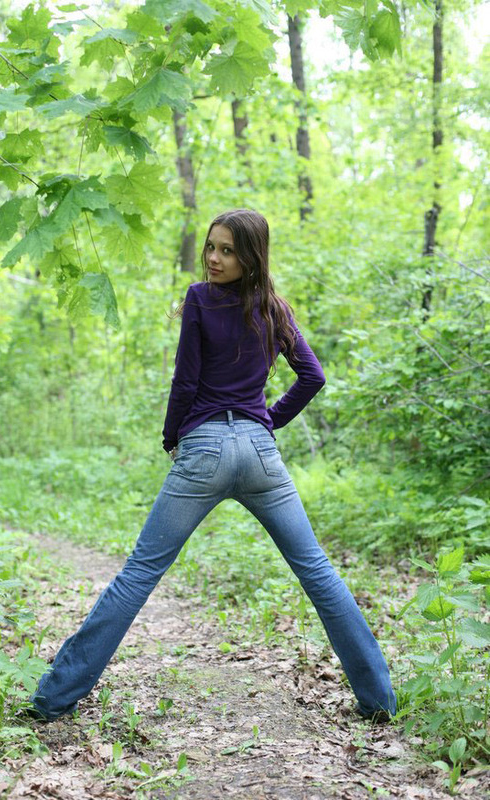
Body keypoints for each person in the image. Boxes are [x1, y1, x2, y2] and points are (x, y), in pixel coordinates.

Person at [28, 208, 396, 723]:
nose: (214, 258)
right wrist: (265, 421)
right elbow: (312, 377)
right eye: (211, 246)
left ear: (251, 257)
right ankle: (380, 701)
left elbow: (185, 379)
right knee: (317, 571)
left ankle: (52, 699)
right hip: (260, 454)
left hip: (203, 449)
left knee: (139, 573)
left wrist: (171, 437)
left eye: (228, 250)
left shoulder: (200, 299)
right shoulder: (274, 309)